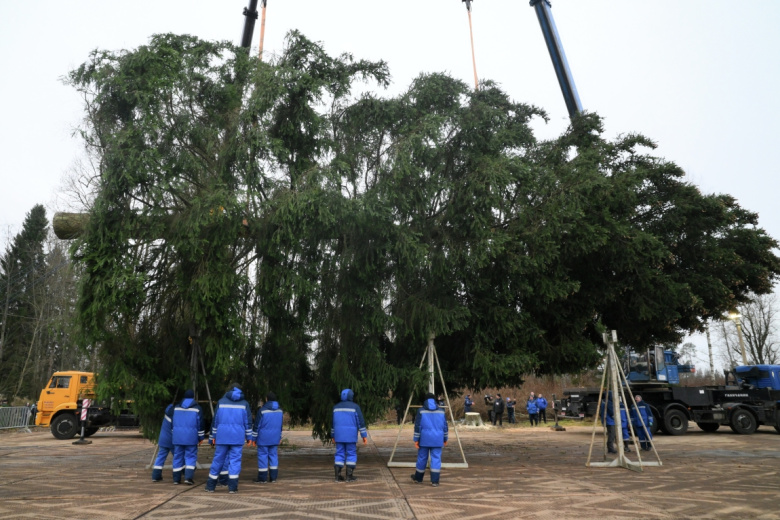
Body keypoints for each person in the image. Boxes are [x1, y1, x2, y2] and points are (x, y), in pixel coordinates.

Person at [205, 383, 253, 493]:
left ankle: (210, 486)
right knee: (235, 461)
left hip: (222, 436)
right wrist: (249, 437)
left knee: (218, 460)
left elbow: (215, 421)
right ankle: (232, 487)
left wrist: (212, 437)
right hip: (237, 437)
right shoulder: (244, 404)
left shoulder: (221, 402)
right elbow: (248, 422)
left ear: (229, 390)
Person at [411, 393, 448, 487]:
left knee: (422, 458)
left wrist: (416, 439)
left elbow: (417, 426)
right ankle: (435, 481)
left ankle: (418, 478)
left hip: (424, 439)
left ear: (425, 401)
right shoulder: (441, 411)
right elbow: (445, 426)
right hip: (438, 439)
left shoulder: (421, 411)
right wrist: (445, 438)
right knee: (436, 459)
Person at [331, 388, 368, 482]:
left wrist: (333, 435)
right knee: (351, 453)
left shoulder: (336, 407)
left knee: (339, 453)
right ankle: (349, 476)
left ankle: (337, 476)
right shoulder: (355, 407)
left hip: (339, 435)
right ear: (351, 396)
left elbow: (333, 423)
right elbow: (360, 422)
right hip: (350, 436)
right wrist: (364, 435)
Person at [171, 389, 206, 485]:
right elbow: (200, 424)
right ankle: (188, 478)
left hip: (177, 437)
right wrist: (201, 437)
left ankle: (176, 479)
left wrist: (174, 434)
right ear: (193, 397)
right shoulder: (197, 408)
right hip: (191, 437)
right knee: (190, 456)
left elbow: (172, 423)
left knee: (177, 457)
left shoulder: (176, 407)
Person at [253, 391, 284, 484]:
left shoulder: (262, 411)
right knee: (273, 456)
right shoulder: (280, 411)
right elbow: (280, 426)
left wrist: (253, 438)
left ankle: (262, 478)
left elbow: (257, 426)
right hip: (275, 438)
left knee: (263, 456)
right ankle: (273, 477)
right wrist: (279, 437)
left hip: (263, 438)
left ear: (267, 399)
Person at [151, 402, 175, 482]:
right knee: (177, 457)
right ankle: (178, 474)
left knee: (160, 457)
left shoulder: (167, 413)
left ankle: (155, 475)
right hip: (172, 440)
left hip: (163, 439)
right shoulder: (174, 416)